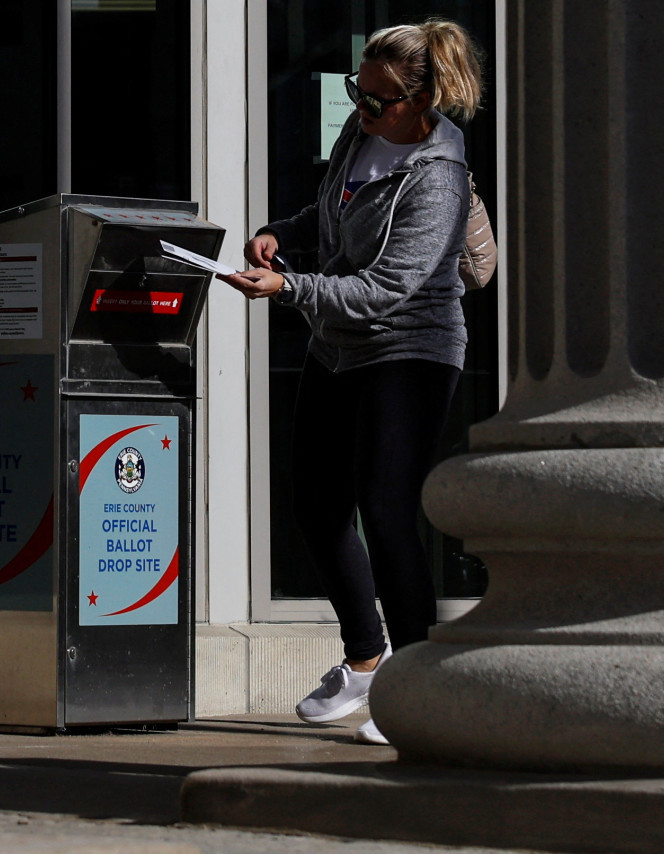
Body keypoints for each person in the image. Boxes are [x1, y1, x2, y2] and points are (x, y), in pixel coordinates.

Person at [216, 19, 483, 746]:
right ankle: (367, 661)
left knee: (388, 510)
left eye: (377, 101)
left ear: (424, 98)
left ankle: (417, 685)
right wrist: (286, 231)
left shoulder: (439, 177)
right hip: (336, 347)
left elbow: (389, 287)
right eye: (355, 94)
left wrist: (287, 286)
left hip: (410, 349)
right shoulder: (359, 138)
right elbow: (332, 214)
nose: (360, 111)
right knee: (315, 503)